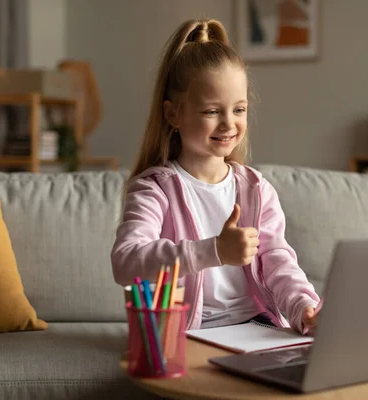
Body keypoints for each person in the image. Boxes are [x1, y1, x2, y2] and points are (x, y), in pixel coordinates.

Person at [111, 19, 320, 335]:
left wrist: (305, 308)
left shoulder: (255, 189)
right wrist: (215, 251)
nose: (228, 124)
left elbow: (278, 262)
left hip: (257, 327)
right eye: (211, 112)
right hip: (187, 336)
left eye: (239, 110)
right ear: (173, 114)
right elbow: (126, 262)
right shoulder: (154, 189)